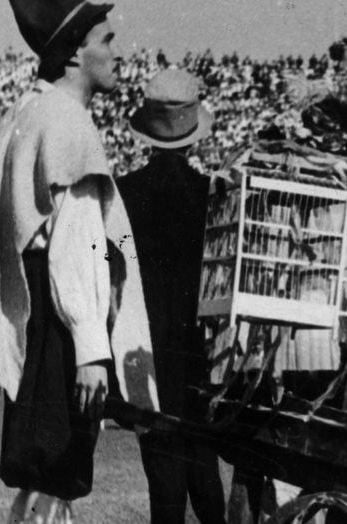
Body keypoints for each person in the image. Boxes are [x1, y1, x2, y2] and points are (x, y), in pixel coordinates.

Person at [0, 1, 156, 520]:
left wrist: (4, 299)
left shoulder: (14, 120)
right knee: (57, 473)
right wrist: (90, 348)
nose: (117, 53)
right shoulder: (68, 124)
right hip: (65, 326)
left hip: (37, 316)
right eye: (106, 41)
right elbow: (76, 247)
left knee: (37, 479)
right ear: (72, 54)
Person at [117, 69, 226, 524]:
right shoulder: (213, 194)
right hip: (198, 347)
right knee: (204, 472)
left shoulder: (124, 193)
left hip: (147, 347)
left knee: (163, 480)